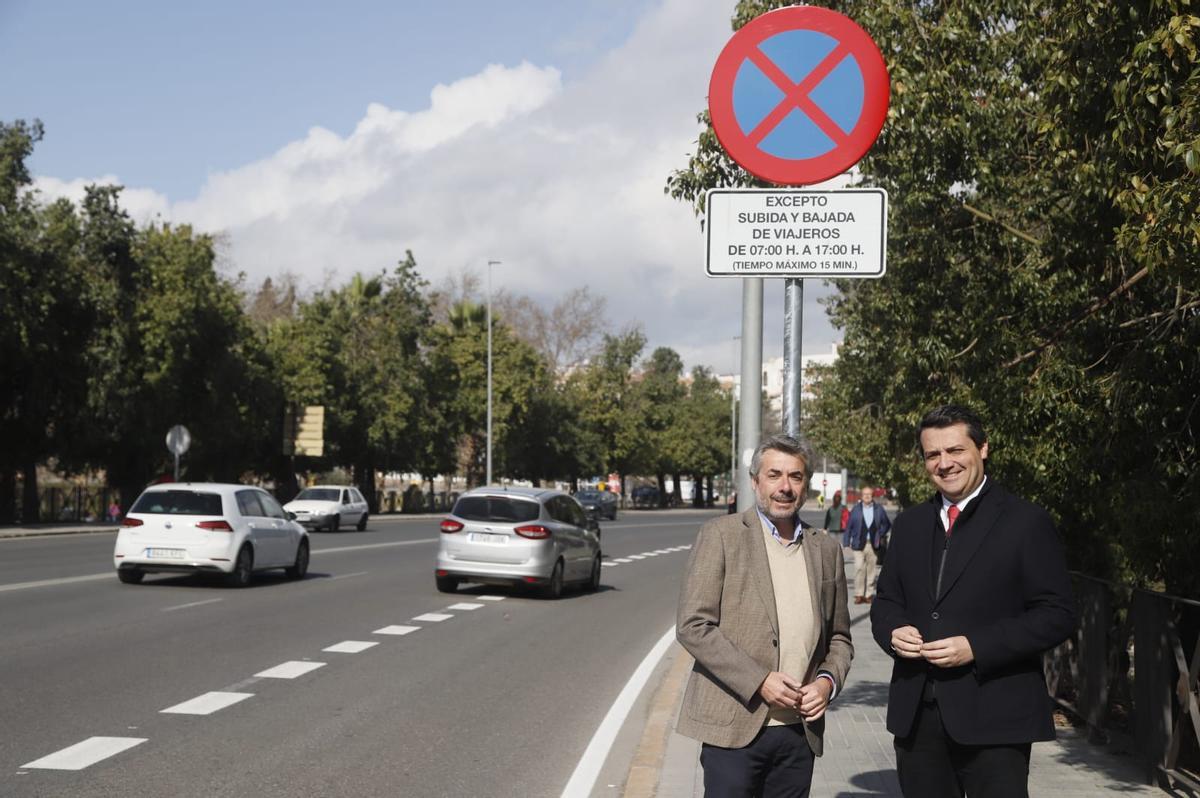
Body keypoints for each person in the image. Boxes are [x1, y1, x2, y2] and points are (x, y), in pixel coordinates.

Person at [870, 405, 1076, 798]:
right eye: (933, 455)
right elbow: (885, 602)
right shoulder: (909, 525)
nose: (945, 463)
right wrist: (892, 632)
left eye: (955, 450)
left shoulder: (1026, 521)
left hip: (995, 718)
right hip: (917, 719)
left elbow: (1058, 614)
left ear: (982, 449)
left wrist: (975, 647)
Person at [676, 434, 853, 797]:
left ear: (806, 486)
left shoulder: (826, 549)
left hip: (798, 732)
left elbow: (840, 637)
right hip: (733, 728)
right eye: (774, 475)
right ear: (756, 482)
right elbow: (694, 626)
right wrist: (759, 680)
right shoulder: (720, 536)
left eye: (795, 477)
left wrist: (826, 683)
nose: (784, 487)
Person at [844, 485, 891, 604]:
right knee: (859, 568)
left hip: (873, 544)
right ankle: (859, 594)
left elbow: (887, 524)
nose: (867, 496)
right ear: (861, 496)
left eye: (869, 494)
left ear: (872, 496)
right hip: (858, 543)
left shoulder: (879, 509)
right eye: (865, 494)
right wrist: (846, 542)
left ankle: (868, 594)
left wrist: (880, 534)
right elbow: (849, 526)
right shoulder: (856, 509)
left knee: (871, 570)